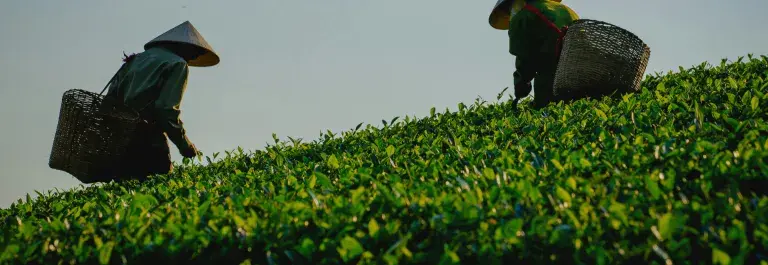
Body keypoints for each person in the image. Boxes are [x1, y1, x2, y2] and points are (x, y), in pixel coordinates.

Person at [103, 21, 220, 181]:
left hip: (121, 141)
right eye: (196, 51)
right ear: (184, 46)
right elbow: (165, 109)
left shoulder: (135, 60)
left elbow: (109, 102)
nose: (196, 57)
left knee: (126, 193)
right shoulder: (177, 64)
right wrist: (185, 145)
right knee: (157, 194)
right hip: (148, 140)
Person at [489, 0, 579, 109]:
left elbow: (524, 59)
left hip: (555, 73)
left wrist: (520, 88)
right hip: (582, 68)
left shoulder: (523, 16)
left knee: (545, 109)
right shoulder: (564, 9)